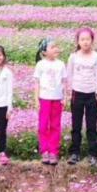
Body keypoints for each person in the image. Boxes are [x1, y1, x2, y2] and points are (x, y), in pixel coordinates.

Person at [66, 28, 97, 166]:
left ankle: (93, 154)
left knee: (91, 126)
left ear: (92, 40)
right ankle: (75, 153)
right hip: (77, 94)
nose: (85, 42)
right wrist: (67, 94)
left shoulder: (96, 56)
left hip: (92, 95)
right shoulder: (73, 56)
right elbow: (68, 76)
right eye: (82, 39)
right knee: (76, 125)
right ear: (78, 41)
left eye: (88, 39)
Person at [33, 38, 67, 166]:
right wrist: (36, 99)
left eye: (57, 46)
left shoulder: (61, 64)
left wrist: (65, 97)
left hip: (57, 98)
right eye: (52, 47)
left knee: (55, 125)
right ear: (44, 52)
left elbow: (64, 82)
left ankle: (53, 151)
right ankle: (44, 151)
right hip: (44, 98)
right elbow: (37, 83)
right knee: (43, 125)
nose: (56, 49)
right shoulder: (40, 64)